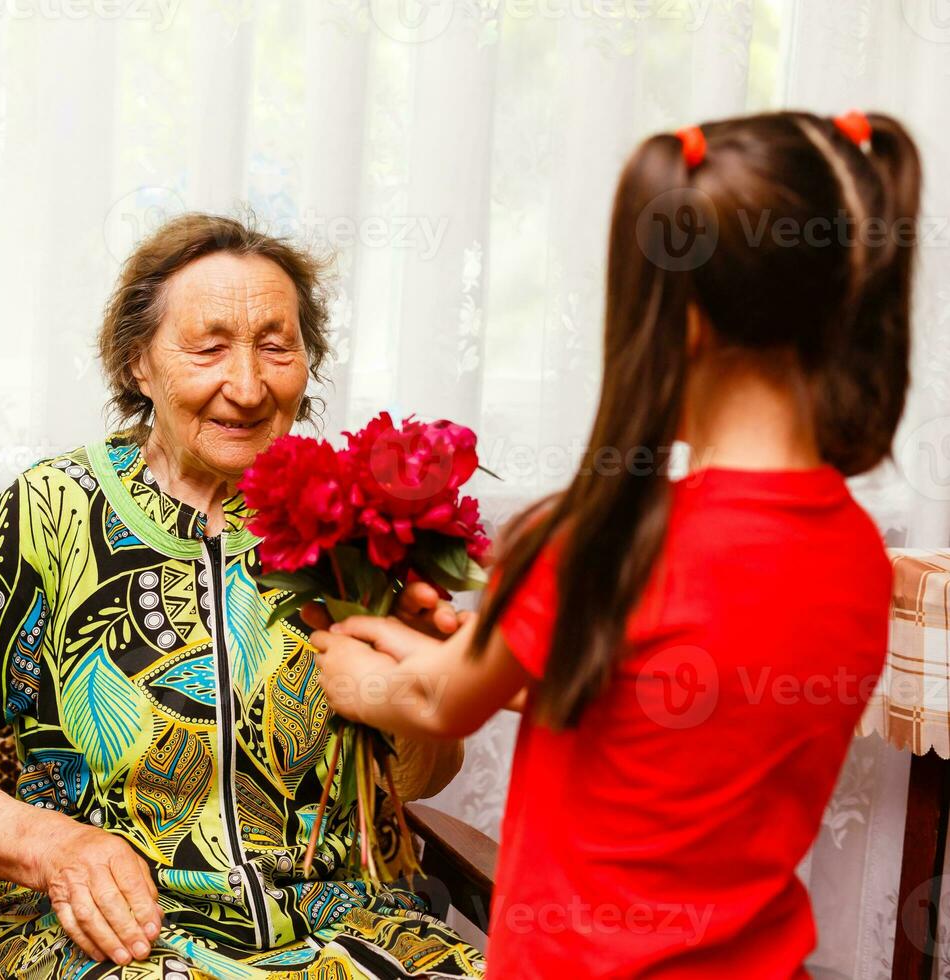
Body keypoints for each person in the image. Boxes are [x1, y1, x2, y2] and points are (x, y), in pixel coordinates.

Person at [309, 110, 918, 976]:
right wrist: (511, 645)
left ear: (686, 317)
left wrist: (367, 674)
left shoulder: (607, 539)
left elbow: (439, 704)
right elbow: (687, 704)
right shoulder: (858, 551)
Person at [0, 213, 485, 978]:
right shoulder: (50, 509)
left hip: (343, 919)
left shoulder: (350, 516)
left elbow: (415, 778)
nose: (247, 385)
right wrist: (55, 848)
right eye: (208, 349)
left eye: (277, 345)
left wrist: (421, 681)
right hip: (115, 928)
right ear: (139, 364)